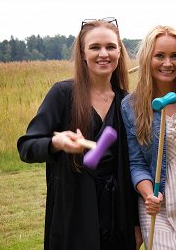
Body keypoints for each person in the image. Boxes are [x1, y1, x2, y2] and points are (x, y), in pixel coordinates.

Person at [17, 18, 142, 250]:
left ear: (119, 53)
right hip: (73, 215)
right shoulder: (63, 94)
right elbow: (26, 147)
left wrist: (135, 224)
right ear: (83, 54)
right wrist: (56, 142)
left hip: (116, 219)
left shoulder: (126, 102)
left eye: (110, 47)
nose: (103, 53)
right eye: (95, 47)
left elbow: (131, 164)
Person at [121, 25, 176, 249]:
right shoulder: (131, 105)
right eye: (159, 56)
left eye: (175, 56)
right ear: (147, 58)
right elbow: (136, 162)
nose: (168, 63)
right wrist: (149, 194)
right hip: (158, 200)